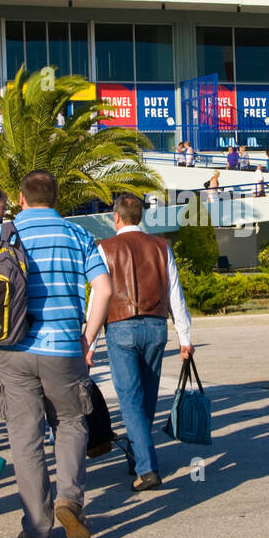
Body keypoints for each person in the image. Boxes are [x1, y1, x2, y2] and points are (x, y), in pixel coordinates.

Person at [0, 169, 112, 538]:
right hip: (62, 349)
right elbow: (103, 289)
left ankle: (38, 528)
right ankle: (69, 500)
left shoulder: (0, 235)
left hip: (13, 349)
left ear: (20, 199)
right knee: (71, 423)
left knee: (25, 439)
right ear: (57, 199)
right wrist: (86, 338)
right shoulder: (78, 235)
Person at [95, 194, 194, 491]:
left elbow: (96, 297)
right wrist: (185, 337)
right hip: (155, 326)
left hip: (120, 326)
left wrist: (88, 344)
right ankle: (139, 458)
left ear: (116, 217)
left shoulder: (105, 248)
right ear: (141, 217)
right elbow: (175, 290)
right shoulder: (161, 246)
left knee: (129, 399)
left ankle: (147, 468)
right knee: (147, 398)